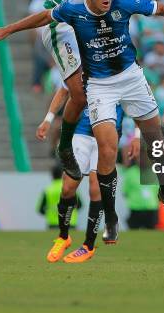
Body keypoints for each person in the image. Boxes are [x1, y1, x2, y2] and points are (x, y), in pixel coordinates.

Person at [0, 0, 164, 238]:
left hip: (131, 77)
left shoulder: (123, 1)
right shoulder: (73, 8)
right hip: (99, 86)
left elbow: (162, 7)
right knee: (107, 151)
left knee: (156, 142)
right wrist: (8, 29)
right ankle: (111, 218)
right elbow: (43, 17)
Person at [40, 0, 133, 181]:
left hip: (79, 24)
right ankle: (65, 147)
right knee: (79, 93)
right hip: (61, 24)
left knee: (84, 82)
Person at [37, 85, 139, 263]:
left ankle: (88, 246)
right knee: (68, 188)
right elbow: (64, 90)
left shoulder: (120, 65)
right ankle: (63, 237)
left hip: (108, 135)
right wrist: (48, 119)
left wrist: (137, 135)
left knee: (95, 189)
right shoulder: (81, 62)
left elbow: (137, 100)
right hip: (81, 131)